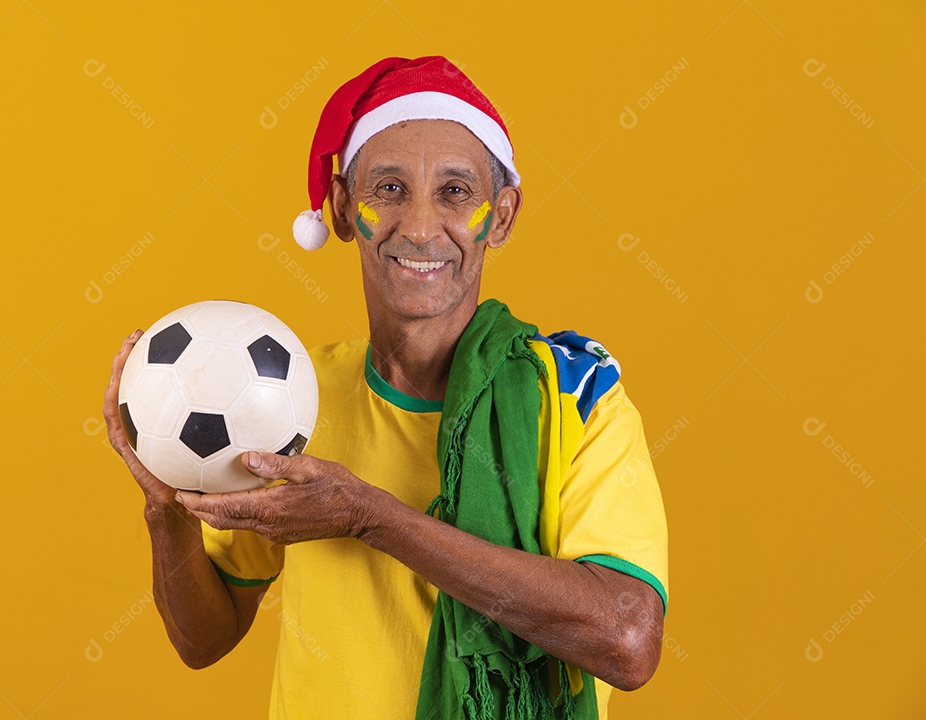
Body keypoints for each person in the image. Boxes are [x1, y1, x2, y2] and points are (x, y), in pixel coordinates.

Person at [103, 56, 668, 720]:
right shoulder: (282, 400)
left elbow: (627, 640)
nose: (422, 227)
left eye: (456, 191)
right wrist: (163, 509)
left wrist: (369, 517)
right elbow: (204, 638)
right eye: (390, 188)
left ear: (503, 216)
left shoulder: (575, 398)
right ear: (343, 208)